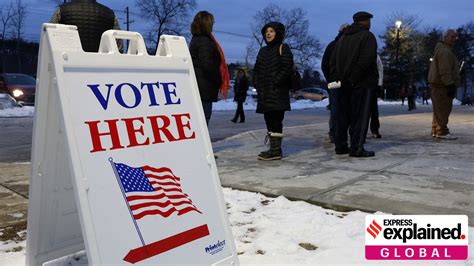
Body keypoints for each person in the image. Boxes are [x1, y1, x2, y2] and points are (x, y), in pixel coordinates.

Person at [330, 11, 378, 157]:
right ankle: (357, 147)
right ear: (365, 21)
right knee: (360, 117)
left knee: (343, 116)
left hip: (343, 85)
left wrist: (340, 79)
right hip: (362, 84)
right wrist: (353, 79)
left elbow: (333, 62)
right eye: (369, 20)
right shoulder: (367, 36)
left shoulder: (343, 38)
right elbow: (366, 60)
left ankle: (341, 146)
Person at [253, 22, 294, 161]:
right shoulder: (263, 51)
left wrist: (276, 82)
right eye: (266, 31)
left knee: (276, 121)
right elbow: (257, 69)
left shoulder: (283, 48)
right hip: (264, 93)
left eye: (271, 31)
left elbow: (286, 68)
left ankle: (275, 151)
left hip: (277, 92)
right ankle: (273, 148)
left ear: (278, 33)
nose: (268, 34)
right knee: (268, 120)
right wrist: (257, 84)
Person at [189, 11, 229, 126]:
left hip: (201, 86)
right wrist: (219, 79)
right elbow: (208, 65)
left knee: (199, 121)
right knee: (203, 121)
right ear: (207, 24)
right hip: (204, 88)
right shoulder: (204, 41)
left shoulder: (197, 39)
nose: (213, 25)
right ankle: (200, 144)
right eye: (212, 22)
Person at [50, 0, 121, 52]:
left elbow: (50, 36)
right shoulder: (109, 14)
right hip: (100, 64)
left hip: (67, 63)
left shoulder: (62, 10)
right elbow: (119, 45)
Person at [428, 29, 461, 140]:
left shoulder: (443, 50)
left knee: (438, 109)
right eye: (452, 37)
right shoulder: (445, 52)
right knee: (443, 109)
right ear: (445, 37)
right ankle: (441, 131)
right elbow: (445, 70)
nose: (455, 39)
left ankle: (436, 129)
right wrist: (450, 84)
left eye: (456, 37)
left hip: (438, 86)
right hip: (442, 86)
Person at [322, 23, 349, 144]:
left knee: (335, 108)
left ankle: (333, 133)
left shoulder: (331, 45)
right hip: (346, 81)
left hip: (333, 81)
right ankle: (342, 133)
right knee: (347, 108)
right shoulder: (349, 45)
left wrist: (330, 79)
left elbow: (324, 65)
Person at [369, 54, 383, 138]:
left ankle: (375, 129)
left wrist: (379, 83)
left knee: (373, 110)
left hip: (372, 85)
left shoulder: (375, 55)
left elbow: (380, 69)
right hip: (363, 85)